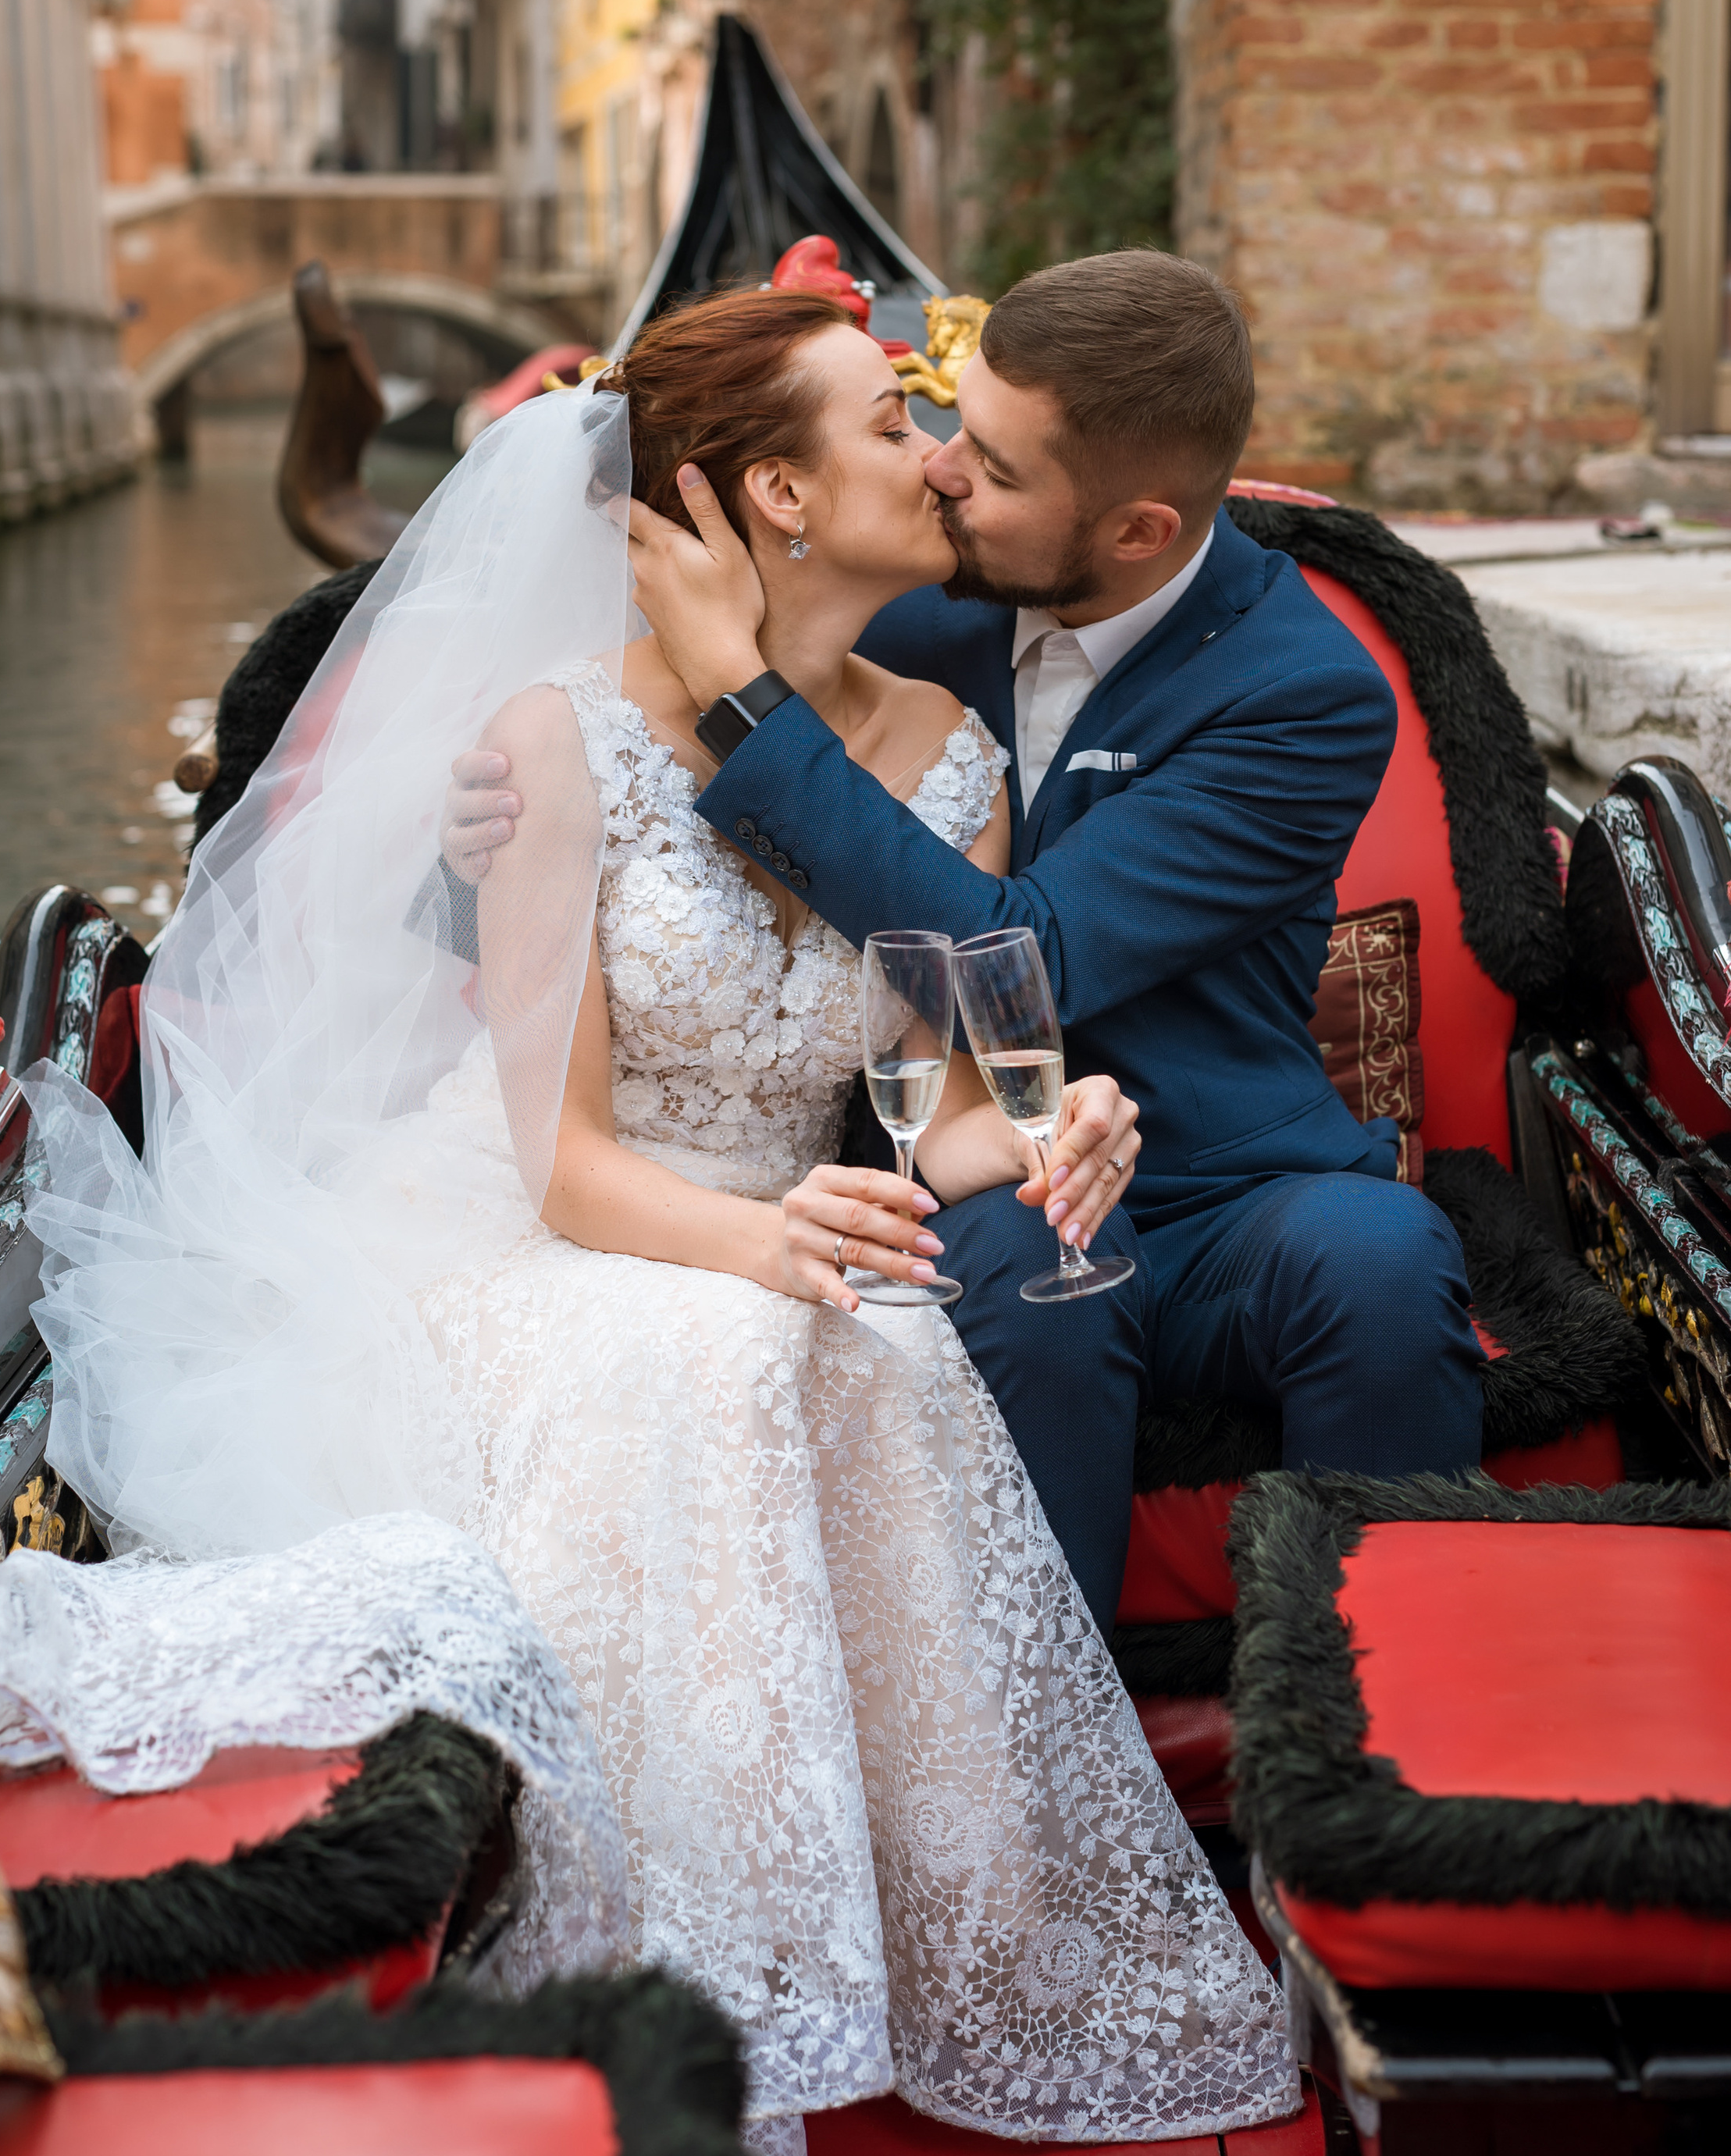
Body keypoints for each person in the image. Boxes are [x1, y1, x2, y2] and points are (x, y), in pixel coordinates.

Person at [19, 287, 1295, 2156]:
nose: (934, 459)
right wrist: (761, 1239)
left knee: (872, 1330)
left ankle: (929, 1934)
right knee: (740, 1344)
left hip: (758, 1217)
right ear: (774, 493)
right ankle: (691, 2019)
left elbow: (941, 1100)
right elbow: (559, 1165)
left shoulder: (949, 737)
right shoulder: (557, 741)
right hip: (546, 1221)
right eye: (890, 428)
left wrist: (1049, 1123)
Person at [453, 253, 1485, 1637]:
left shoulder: (1303, 692)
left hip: (1223, 1189)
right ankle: (1058, 1750)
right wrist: (466, 832)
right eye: (933, 427)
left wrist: (750, 704)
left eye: (989, 463)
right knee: (1017, 1281)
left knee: (1384, 1256)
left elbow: (1019, 949)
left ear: (1135, 528)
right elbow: (599, 760)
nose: (941, 473)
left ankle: (1381, 1744)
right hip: (974, 1166)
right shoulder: (925, 590)